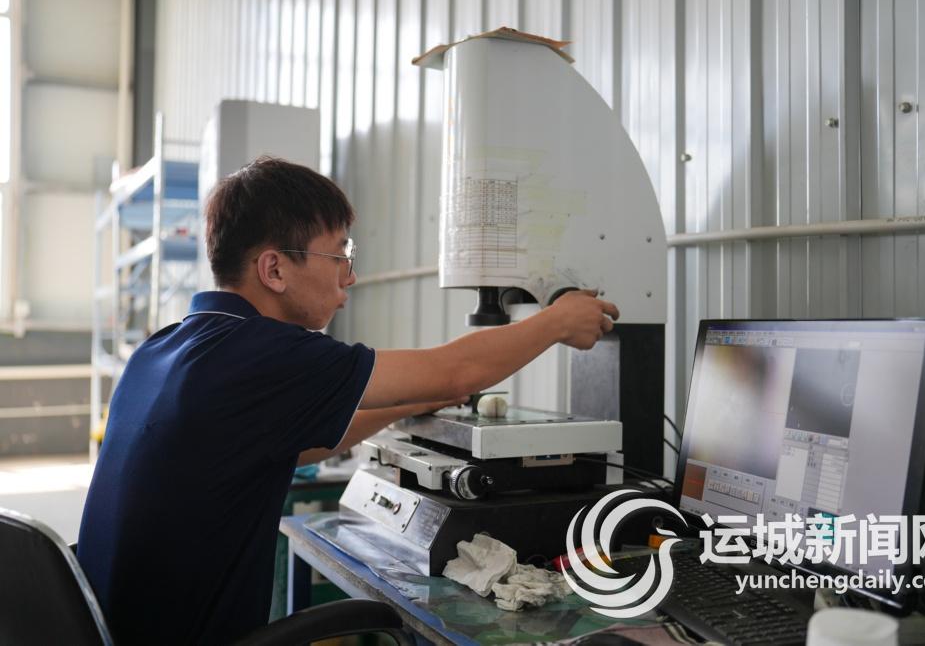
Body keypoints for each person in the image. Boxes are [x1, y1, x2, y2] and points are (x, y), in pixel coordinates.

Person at [77, 156, 619, 644]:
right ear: (274, 270)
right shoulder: (262, 354)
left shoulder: (166, 347)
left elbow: (300, 449)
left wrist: (406, 406)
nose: (350, 276)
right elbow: (456, 369)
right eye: (339, 255)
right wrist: (557, 321)